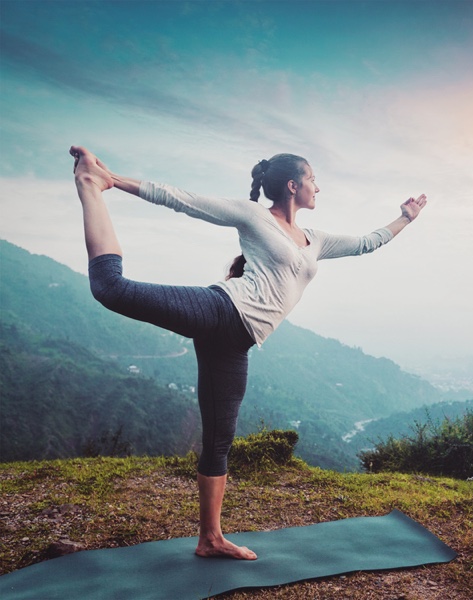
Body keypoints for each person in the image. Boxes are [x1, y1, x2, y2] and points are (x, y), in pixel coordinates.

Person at [70, 145, 426, 560]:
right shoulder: (255, 216)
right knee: (111, 288)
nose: (318, 187)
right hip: (221, 309)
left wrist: (406, 217)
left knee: (220, 440)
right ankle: (90, 187)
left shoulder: (318, 240)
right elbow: (180, 198)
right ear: (293, 186)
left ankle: (210, 539)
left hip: (236, 341)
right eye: (313, 180)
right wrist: (113, 179)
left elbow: (369, 242)